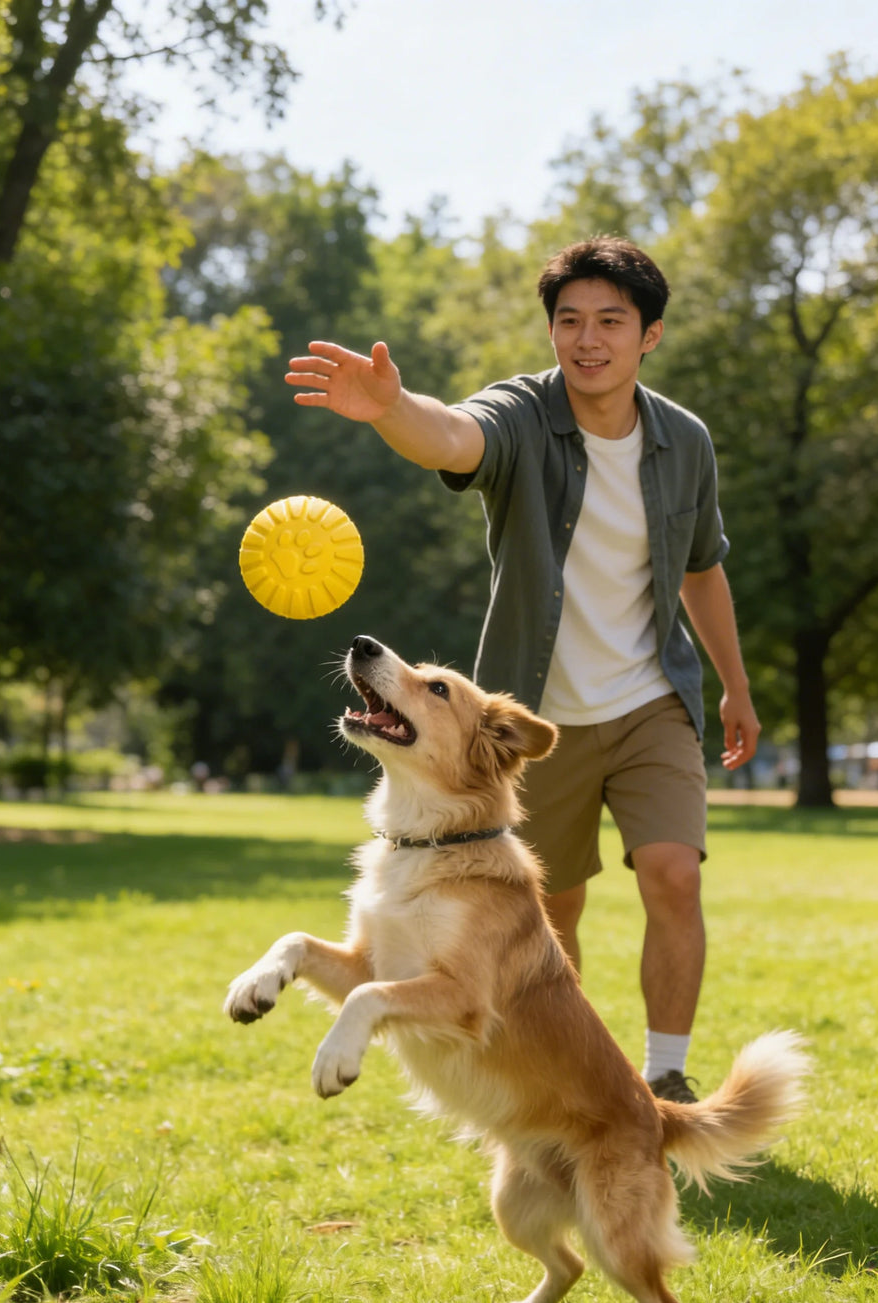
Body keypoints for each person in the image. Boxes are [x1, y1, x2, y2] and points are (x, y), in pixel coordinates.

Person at [284, 236, 760, 1104]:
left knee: (673, 871)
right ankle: (570, 1081)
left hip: (653, 697)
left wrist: (734, 682)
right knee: (553, 911)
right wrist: (392, 409)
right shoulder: (522, 413)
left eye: (611, 321)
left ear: (649, 334)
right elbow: (454, 436)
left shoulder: (684, 441)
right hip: (533, 718)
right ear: (550, 330)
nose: (588, 340)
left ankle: (665, 1075)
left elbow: (702, 566)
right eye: (569, 320)